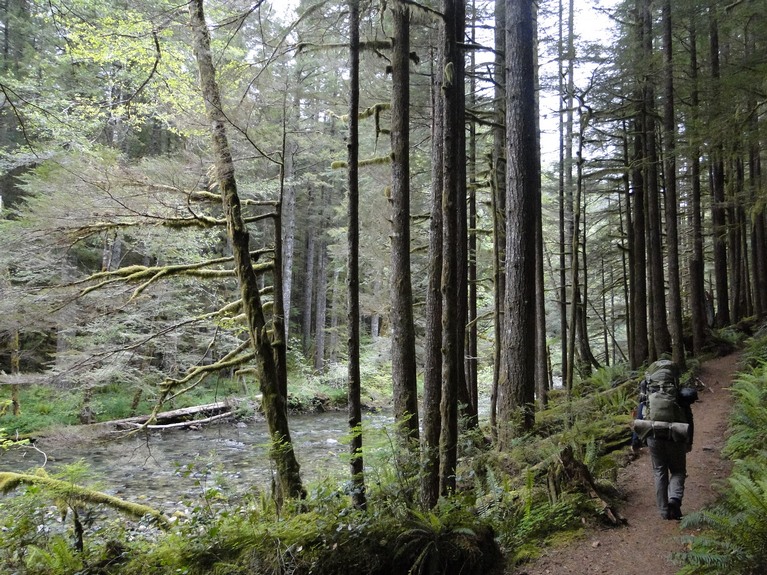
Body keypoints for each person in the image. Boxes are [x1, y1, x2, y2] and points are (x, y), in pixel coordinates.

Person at [635, 361, 696, 520]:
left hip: (654, 434)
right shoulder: (678, 392)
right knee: (678, 470)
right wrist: (689, 440)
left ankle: (663, 511)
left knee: (659, 471)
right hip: (676, 433)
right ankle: (674, 499)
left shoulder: (647, 390)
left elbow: (640, 415)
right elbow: (689, 417)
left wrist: (636, 440)